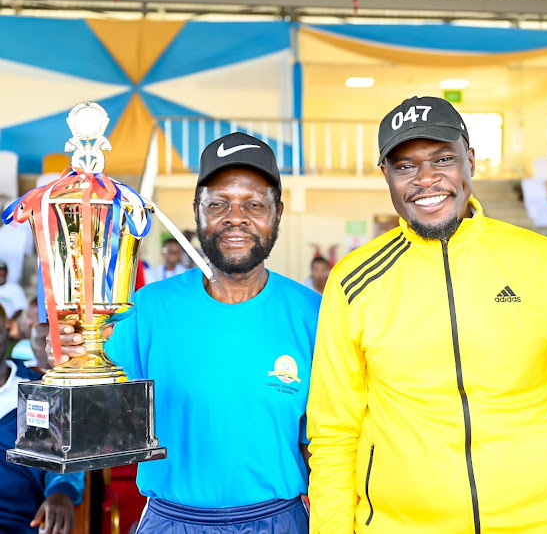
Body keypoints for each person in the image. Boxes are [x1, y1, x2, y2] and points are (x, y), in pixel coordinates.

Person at [306, 96, 547, 534]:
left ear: (471, 160)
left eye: (443, 159)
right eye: (404, 166)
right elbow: (334, 433)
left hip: (531, 525)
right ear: (387, 176)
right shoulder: (353, 282)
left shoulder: (544, 264)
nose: (426, 179)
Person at [50, 133, 320, 533]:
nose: (236, 217)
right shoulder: (144, 309)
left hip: (279, 521)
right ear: (197, 212)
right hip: (172, 520)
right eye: (218, 204)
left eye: (254, 204)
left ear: (277, 212)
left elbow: (325, 443)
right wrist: (63, 352)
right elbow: (91, 413)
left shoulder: (312, 313)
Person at [0, 305, 85, 534]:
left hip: (19, 521)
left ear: (7, 333)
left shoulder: (41, 390)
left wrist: (61, 491)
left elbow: (64, 452)